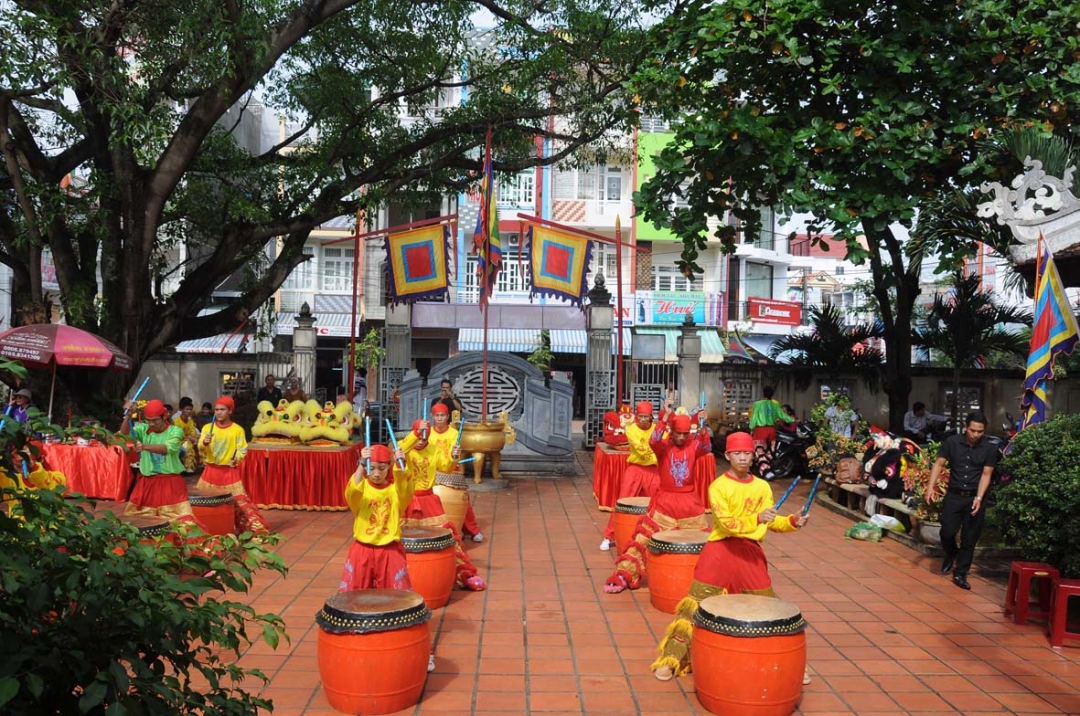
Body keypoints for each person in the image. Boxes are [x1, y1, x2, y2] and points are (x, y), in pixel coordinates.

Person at [651, 431, 810, 682]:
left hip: (750, 552)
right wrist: (757, 518)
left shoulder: (762, 486)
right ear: (727, 455)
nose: (743, 458)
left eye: (747, 453)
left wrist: (792, 520)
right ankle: (671, 659)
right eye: (737, 453)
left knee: (767, 607)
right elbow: (725, 524)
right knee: (694, 606)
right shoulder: (718, 486)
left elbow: (772, 521)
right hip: (720, 551)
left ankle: (786, 662)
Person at [338, 442, 436, 672]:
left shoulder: (394, 492)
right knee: (352, 598)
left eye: (383, 468)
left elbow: (406, 489)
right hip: (361, 550)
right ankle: (347, 645)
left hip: (391, 551)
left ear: (389, 467)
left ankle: (421, 651)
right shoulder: (361, 491)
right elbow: (351, 490)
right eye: (373, 467)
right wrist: (361, 464)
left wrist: (401, 463)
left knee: (402, 600)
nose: (377, 472)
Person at [604, 408, 711, 594]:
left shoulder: (693, 446)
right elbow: (653, 440)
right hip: (665, 503)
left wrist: (703, 428)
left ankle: (711, 583)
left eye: (685, 434)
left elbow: (706, 448)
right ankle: (624, 574)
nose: (682, 437)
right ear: (672, 431)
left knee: (706, 544)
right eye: (678, 433)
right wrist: (665, 419)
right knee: (643, 537)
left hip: (690, 505)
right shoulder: (663, 447)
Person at [399, 417, 486, 591]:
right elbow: (399, 452)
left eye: (424, 437)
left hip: (429, 500)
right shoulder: (404, 446)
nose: (421, 441)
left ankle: (463, 573)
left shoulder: (433, 449)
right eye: (418, 436)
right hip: (405, 500)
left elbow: (445, 467)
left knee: (447, 537)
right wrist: (415, 435)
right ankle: (398, 577)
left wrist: (453, 457)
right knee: (399, 540)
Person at [925, 412, 999, 590]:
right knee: (947, 532)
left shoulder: (989, 449)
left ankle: (961, 573)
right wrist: (930, 487)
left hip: (975, 496)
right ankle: (951, 553)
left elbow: (986, 474)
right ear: (966, 427)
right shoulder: (952, 442)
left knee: (969, 538)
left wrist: (979, 498)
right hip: (954, 495)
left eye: (980, 431)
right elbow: (938, 464)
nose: (975, 434)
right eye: (972, 430)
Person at [120, 398, 203, 527]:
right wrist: (128, 416)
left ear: (164, 416)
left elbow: (166, 449)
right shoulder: (143, 429)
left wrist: (144, 446)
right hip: (146, 483)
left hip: (170, 483)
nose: (151, 424)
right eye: (149, 420)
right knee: (137, 523)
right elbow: (124, 434)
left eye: (155, 420)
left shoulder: (175, 431)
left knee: (182, 524)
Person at [409, 402, 485, 541]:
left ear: (447, 416)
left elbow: (450, 458)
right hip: (430, 472)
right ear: (432, 417)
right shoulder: (427, 433)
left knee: (462, 501)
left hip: (449, 471)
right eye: (437, 415)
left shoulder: (454, 433)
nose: (439, 418)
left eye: (442, 415)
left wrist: (454, 455)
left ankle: (473, 530)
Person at [197, 396, 270, 533]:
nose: (218, 413)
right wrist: (204, 443)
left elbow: (242, 449)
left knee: (240, 504)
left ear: (230, 411)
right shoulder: (208, 428)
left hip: (229, 473)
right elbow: (200, 449)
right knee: (203, 503)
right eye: (217, 410)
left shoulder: (237, 430)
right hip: (210, 472)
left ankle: (255, 530)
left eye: (222, 410)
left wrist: (235, 459)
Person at [599, 401, 659, 551]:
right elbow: (643, 451)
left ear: (652, 416)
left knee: (658, 505)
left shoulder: (658, 429)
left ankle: (657, 536)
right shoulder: (631, 429)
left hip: (654, 470)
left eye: (647, 416)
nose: (644, 419)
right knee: (623, 502)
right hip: (636, 470)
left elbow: (662, 448)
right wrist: (655, 452)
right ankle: (609, 536)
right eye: (641, 416)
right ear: (637, 416)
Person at [172, 397, 200, 473]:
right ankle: (188, 467)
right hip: (178, 441)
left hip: (189, 440)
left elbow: (193, 433)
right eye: (187, 409)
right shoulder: (176, 421)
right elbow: (178, 435)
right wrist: (191, 438)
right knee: (188, 444)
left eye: (190, 409)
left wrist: (194, 438)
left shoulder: (190, 421)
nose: (189, 411)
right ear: (182, 410)